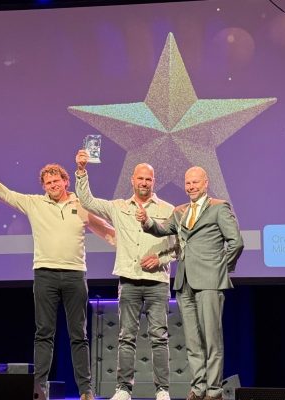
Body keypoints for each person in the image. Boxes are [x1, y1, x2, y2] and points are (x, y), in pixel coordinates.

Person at [0, 158, 114, 400]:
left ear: (66, 181)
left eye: (56, 181)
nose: (52, 185)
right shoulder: (35, 204)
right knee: (44, 334)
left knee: (78, 335)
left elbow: (104, 229)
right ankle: (39, 390)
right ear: (43, 186)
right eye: (48, 183)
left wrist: (134, 245)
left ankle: (85, 391)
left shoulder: (80, 205)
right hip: (45, 274)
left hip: (75, 274)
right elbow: (6, 195)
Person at [136, 166, 244, 400]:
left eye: (195, 182)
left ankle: (214, 391)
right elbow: (162, 229)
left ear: (206, 183)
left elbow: (236, 242)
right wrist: (146, 221)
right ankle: (198, 388)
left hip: (210, 282)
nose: (191, 187)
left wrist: (220, 269)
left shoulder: (219, 207)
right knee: (193, 341)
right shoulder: (180, 211)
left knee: (211, 339)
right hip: (184, 282)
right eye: (188, 183)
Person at [75, 149, 176, 400]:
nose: (144, 182)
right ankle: (123, 389)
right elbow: (87, 201)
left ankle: (162, 390)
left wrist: (161, 259)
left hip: (157, 282)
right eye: (140, 178)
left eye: (148, 179)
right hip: (129, 280)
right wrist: (81, 171)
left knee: (159, 337)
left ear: (154, 182)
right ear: (132, 180)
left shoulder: (168, 209)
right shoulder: (118, 207)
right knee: (126, 337)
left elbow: (178, 246)